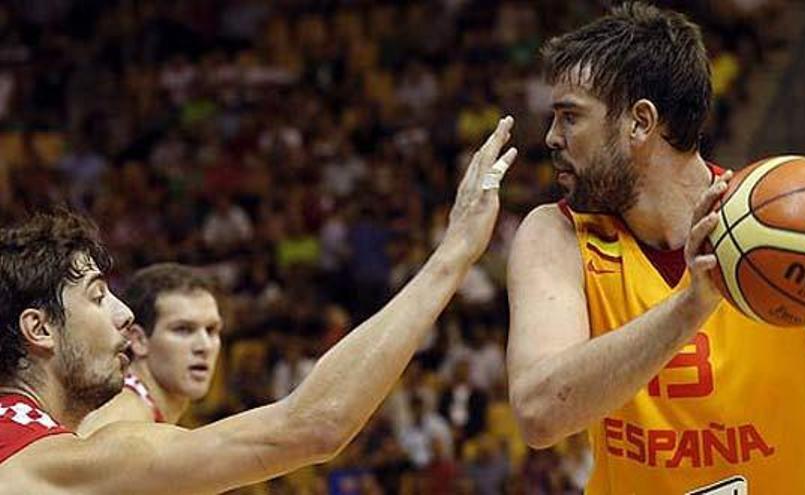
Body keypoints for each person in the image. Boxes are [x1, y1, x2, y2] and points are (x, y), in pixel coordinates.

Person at [0, 117, 517, 494]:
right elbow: (314, 425)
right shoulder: (81, 449)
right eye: (97, 297)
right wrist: (453, 255)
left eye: (212, 329)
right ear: (38, 329)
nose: (123, 313)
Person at [506, 3, 805, 494]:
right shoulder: (555, 236)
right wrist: (691, 304)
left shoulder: (794, 226)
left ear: (640, 122)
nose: (553, 137)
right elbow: (539, 415)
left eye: (570, 116)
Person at [77, 263, 222, 435]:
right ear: (138, 340)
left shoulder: (143, 412)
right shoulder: (125, 415)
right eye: (183, 329)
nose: (204, 346)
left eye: (211, 330)